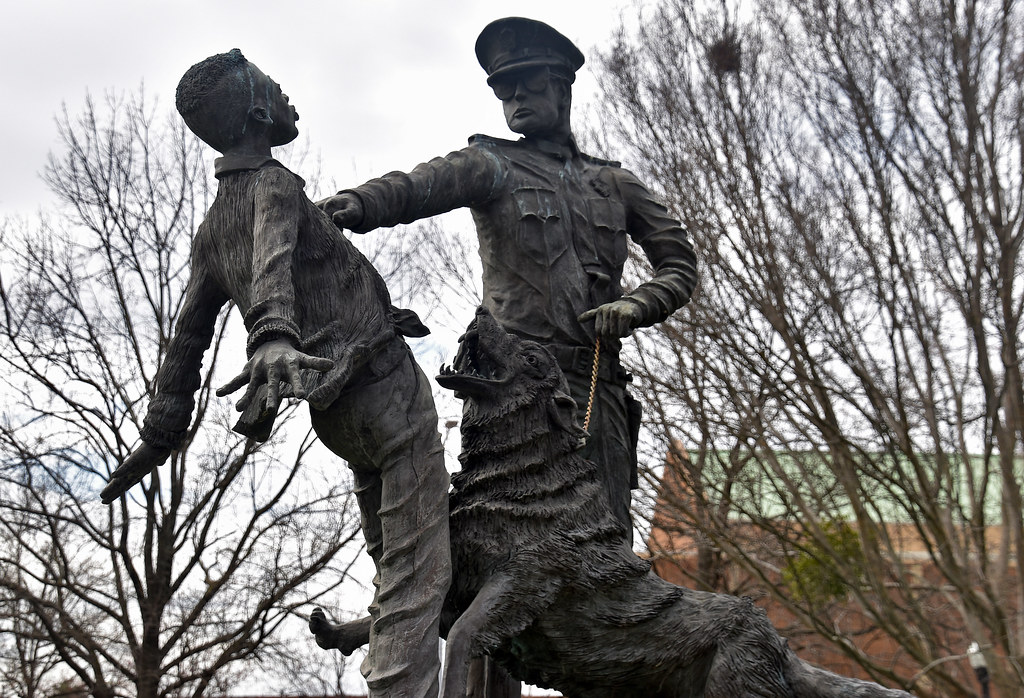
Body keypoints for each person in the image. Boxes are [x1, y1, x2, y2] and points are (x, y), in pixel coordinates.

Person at [100, 50, 450, 698]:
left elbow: (185, 342)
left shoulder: (211, 228)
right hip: (384, 392)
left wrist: (160, 434)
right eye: (275, 87)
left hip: (336, 419)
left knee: (401, 562)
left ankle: (373, 636)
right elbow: (272, 267)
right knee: (416, 572)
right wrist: (271, 334)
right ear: (258, 109)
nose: (287, 95)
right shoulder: (276, 185)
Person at [320, 17, 698, 533]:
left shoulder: (615, 183)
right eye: (503, 88)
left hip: (595, 389)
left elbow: (679, 264)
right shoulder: (491, 164)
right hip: (512, 389)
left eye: (530, 83)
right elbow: (418, 185)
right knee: (495, 536)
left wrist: (637, 304)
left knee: (607, 546)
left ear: (562, 87)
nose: (515, 97)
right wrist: (357, 203)